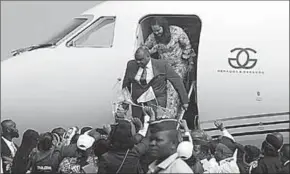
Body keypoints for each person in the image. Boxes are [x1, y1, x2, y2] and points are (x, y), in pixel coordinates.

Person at [144, 17, 196, 118]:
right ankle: (159, 113)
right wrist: (153, 50)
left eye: (159, 30)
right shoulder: (153, 37)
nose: (157, 33)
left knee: (172, 87)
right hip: (163, 66)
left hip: (179, 64)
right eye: (154, 31)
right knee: (159, 88)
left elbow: (187, 46)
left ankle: (170, 116)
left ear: (164, 27)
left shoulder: (176, 32)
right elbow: (145, 49)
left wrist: (186, 58)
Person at [122, 46, 189, 120]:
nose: (138, 62)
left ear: (148, 56)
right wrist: (125, 101)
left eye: (141, 60)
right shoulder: (131, 65)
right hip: (138, 103)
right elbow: (126, 84)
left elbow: (177, 81)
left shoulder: (162, 65)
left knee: (156, 125)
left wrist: (184, 101)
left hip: (157, 101)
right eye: (136, 59)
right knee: (139, 126)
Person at [97, 107, 153, 174]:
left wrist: (110, 134)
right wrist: (151, 116)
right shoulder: (136, 151)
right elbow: (148, 136)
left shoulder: (105, 158)